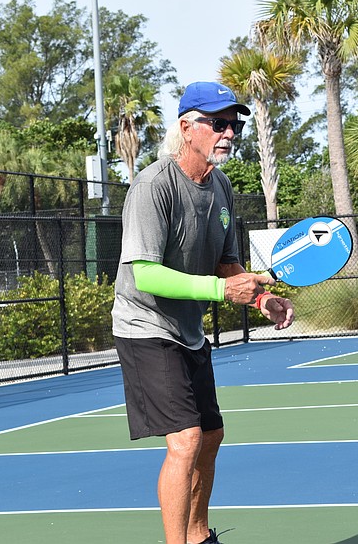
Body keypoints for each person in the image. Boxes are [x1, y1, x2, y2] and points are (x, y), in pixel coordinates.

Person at [112, 81, 294, 544]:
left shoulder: (221, 187)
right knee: (186, 440)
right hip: (144, 326)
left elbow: (226, 264)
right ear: (186, 128)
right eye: (218, 123)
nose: (229, 132)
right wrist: (220, 289)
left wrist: (261, 299)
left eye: (234, 124)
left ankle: (197, 536)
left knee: (211, 436)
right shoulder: (153, 185)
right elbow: (147, 275)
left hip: (188, 331)